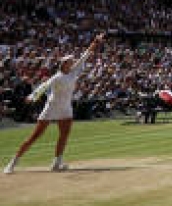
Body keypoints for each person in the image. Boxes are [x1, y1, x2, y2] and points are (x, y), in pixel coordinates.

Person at [5, 33, 105, 174]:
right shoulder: (57, 77)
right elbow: (44, 86)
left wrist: (96, 41)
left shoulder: (73, 72)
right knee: (34, 137)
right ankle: (12, 163)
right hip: (51, 107)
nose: (72, 62)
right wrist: (33, 96)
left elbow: (86, 55)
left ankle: (57, 163)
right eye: (69, 61)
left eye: (72, 61)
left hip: (66, 109)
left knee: (64, 136)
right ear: (63, 64)